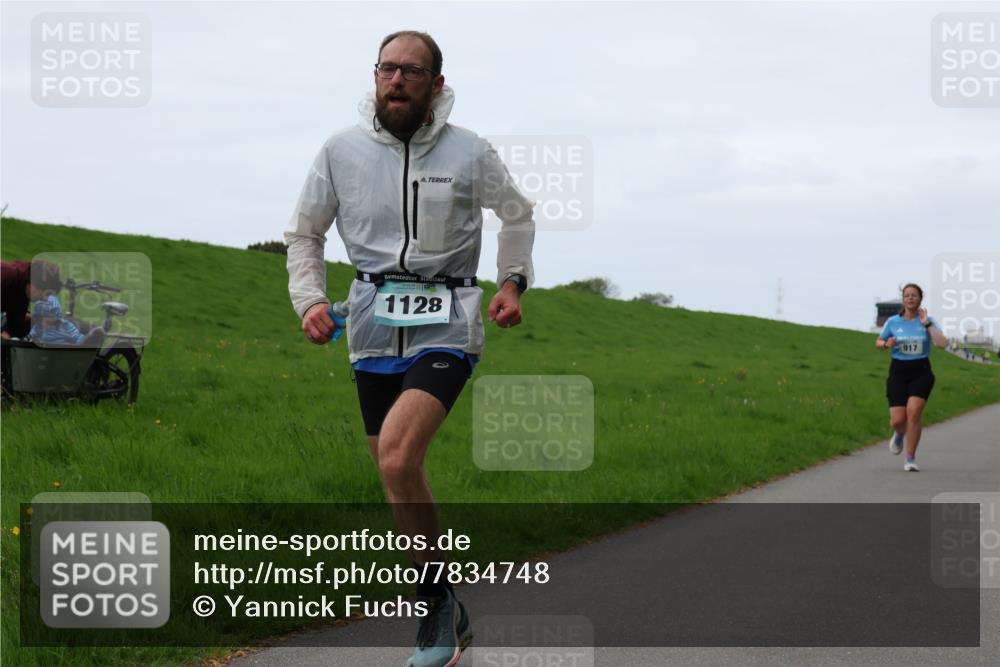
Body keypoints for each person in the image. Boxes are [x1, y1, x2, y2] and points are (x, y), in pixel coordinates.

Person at [285, 30, 534, 667]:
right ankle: (445, 600)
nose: (397, 80)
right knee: (400, 476)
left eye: (412, 72)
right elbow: (305, 234)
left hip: (448, 318)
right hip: (370, 327)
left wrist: (511, 281)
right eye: (387, 69)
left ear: (436, 85)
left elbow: (518, 214)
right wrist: (311, 300)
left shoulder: (470, 151)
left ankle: (433, 619)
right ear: (375, 77)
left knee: (397, 459)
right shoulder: (338, 151)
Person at [875, 283, 949, 471]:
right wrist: (886, 344)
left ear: (920, 299)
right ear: (903, 299)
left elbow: (942, 343)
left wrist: (928, 324)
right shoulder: (892, 321)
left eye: (914, 295)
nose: (910, 298)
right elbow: (879, 341)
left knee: (914, 413)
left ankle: (910, 458)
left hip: (921, 371)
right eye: (907, 295)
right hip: (898, 372)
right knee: (898, 421)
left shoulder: (927, 320)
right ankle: (899, 434)